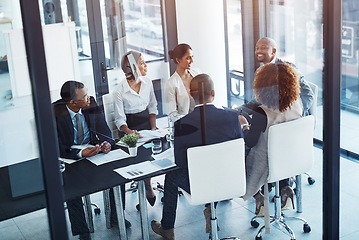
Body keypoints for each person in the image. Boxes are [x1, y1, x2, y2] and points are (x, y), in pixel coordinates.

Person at [151, 74, 243, 240]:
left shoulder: (182, 124)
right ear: (213, 93)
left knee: (171, 175)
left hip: (200, 186)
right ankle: (210, 208)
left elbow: (180, 162)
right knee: (215, 166)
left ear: (190, 95)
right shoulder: (231, 118)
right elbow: (240, 150)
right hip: (231, 181)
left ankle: (167, 228)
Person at [53, 80, 129, 240]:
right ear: (73, 102)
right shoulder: (54, 112)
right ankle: (82, 230)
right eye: (84, 96)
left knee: (118, 172)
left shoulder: (91, 103)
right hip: (70, 155)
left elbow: (105, 130)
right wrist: (80, 154)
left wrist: (107, 143)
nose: (89, 98)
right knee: (71, 185)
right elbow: (54, 146)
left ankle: (116, 215)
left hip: (94, 150)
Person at [238, 62, 303, 217]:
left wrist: (244, 125)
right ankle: (285, 187)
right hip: (292, 158)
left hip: (266, 164)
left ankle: (258, 196)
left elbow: (250, 141)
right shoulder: (297, 103)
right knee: (280, 149)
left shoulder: (262, 113)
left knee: (241, 157)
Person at [113, 50, 158, 206]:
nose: (145, 65)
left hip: (146, 124)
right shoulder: (119, 90)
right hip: (128, 128)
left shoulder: (148, 82)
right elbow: (119, 119)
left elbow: (152, 106)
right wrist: (130, 132)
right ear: (132, 67)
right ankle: (141, 185)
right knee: (133, 156)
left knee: (151, 151)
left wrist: (153, 128)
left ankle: (147, 184)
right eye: (142, 62)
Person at [240, 37, 313, 116]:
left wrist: (293, 113)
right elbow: (256, 101)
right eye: (257, 48)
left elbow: (308, 95)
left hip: (291, 119)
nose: (258, 51)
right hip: (271, 117)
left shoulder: (289, 69)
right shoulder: (260, 71)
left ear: (273, 51)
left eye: (263, 48)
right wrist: (236, 112)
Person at [165, 43, 200, 121]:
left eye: (192, 57)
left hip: (202, 119)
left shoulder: (197, 73)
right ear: (178, 60)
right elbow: (172, 114)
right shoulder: (171, 83)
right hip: (186, 123)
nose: (192, 61)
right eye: (188, 58)